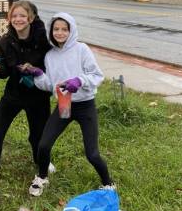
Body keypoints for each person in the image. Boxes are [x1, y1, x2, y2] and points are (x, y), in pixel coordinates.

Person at [22, 12, 115, 197]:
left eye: (64, 29)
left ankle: (109, 184)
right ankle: (42, 177)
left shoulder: (82, 49)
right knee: (44, 145)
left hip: (84, 105)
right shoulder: (50, 56)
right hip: (64, 105)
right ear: (51, 31)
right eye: (56, 29)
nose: (60, 33)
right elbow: (50, 85)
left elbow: (97, 76)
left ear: (71, 30)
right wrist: (38, 75)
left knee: (92, 154)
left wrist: (79, 81)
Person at [0, 1, 53, 190]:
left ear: (30, 18)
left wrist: (39, 77)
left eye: (22, 15)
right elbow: (4, 73)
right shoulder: (5, 42)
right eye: (14, 16)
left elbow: (53, 64)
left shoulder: (44, 40)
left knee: (39, 134)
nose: (18, 19)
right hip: (14, 93)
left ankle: (42, 163)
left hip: (39, 94)